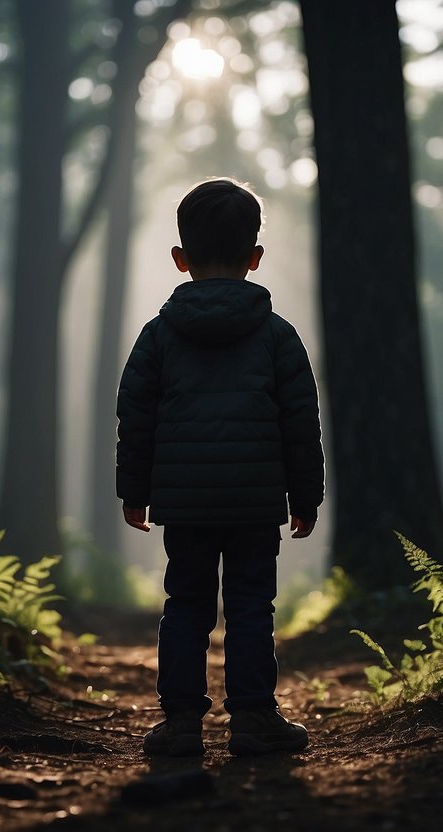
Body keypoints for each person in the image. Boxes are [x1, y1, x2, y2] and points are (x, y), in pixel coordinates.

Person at [116, 178, 325, 757]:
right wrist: (304, 498)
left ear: (180, 259)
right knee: (252, 605)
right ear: (255, 259)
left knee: (185, 604)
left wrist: (134, 491)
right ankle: (254, 719)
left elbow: (134, 416)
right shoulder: (279, 338)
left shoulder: (158, 338)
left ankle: (181, 723)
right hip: (256, 501)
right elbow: (300, 423)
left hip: (183, 502)